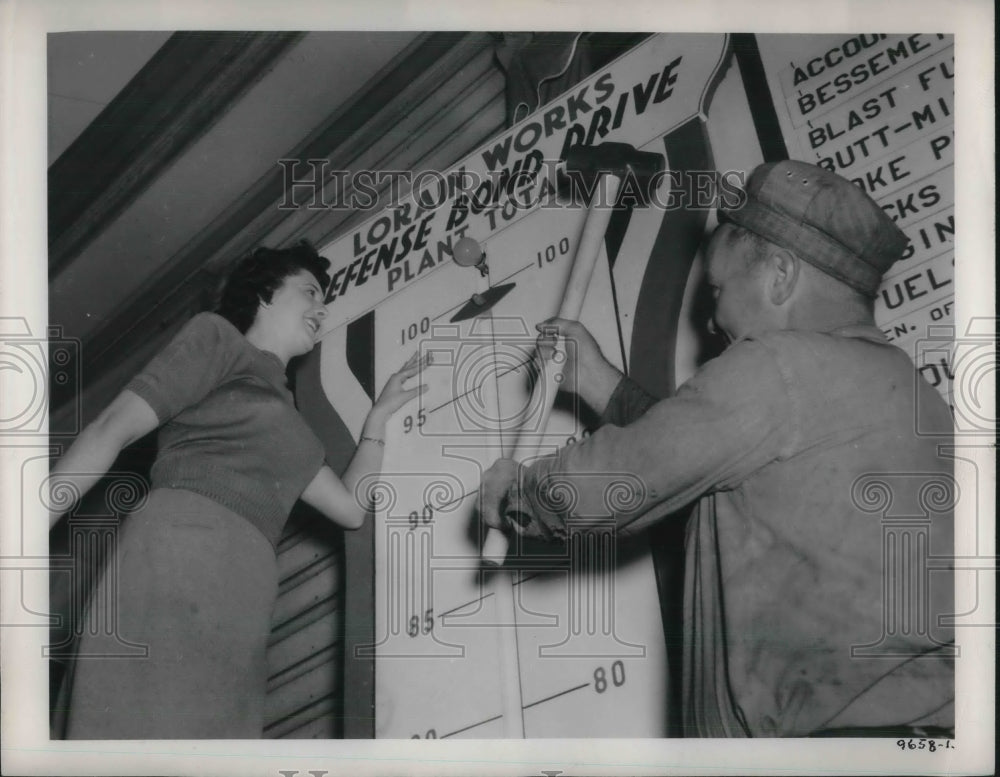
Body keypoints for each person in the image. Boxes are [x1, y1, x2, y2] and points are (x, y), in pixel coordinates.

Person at [480, 160, 955, 737]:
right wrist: (603, 383)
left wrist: (516, 490)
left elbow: (612, 482)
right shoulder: (909, 394)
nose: (712, 317)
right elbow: (713, 457)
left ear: (779, 275)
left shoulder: (778, 364)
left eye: (718, 290)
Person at [49, 241, 426, 739]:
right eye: (310, 291)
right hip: (176, 555)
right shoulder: (218, 339)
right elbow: (112, 428)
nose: (323, 307)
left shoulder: (291, 423)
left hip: (244, 593)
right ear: (266, 294)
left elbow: (352, 508)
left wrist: (377, 418)